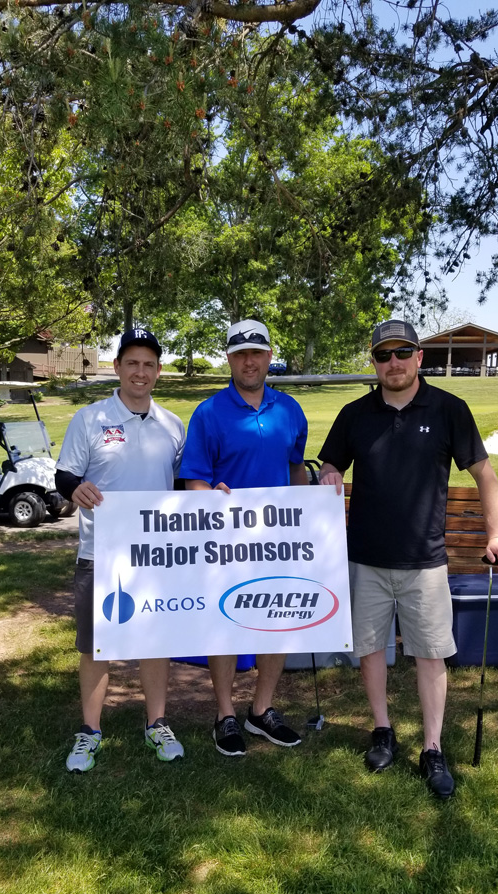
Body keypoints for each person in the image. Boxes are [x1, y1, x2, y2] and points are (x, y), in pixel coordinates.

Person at [317, 319, 498, 798]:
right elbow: (330, 463)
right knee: (370, 650)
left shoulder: (449, 409)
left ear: (419, 357)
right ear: (374, 362)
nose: (394, 363)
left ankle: (432, 747)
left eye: (403, 353)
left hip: (426, 562)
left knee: (430, 654)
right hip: (365, 558)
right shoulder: (354, 414)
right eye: (383, 355)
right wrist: (328, 474)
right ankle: (382, 729)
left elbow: (485, 476)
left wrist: (496, 535)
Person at [55, 328, 186, 772]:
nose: (140, 372)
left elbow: (182, 485)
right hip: (101, 553)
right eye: (132, 363)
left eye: (149, 364)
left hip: (156, 555)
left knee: (155, 639)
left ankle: (157, 723)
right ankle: (90, 731)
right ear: (117, 367)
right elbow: (65, 476)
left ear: (158, 371)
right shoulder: (89, 419)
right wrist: (75, 489)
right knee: (97, 646)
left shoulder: (172, 425)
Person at [180, 318, 309, 756]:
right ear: (229, 359)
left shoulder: (289, 410)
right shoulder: (209, 413)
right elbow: (194, 480)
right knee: (227, 624)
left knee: (277, 620)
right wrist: (211, 499)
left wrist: (309, 515)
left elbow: (295, 468)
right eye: (240, 354)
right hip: (225, 541)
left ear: (269, 356)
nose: (249, 361)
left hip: (278, 539)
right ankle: (225, 714)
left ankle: (261, 709)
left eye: (256, 353)